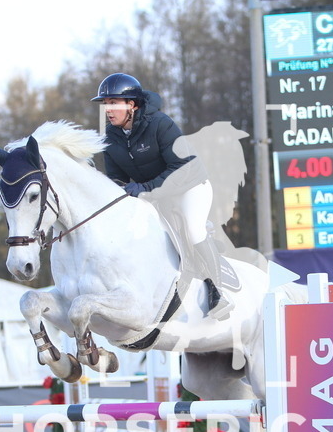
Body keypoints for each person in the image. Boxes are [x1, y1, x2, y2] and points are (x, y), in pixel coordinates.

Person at [93, 72, 233, 319]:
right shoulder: (110, 137)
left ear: (132, 105)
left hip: (190, 185)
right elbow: (116, 180)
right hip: (155, 194)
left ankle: (218, 293)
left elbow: (182, 167)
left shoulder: (160, 123)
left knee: (192, 230)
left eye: (114, 103)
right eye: (106, 104)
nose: (108, 110)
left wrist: (146, 188)